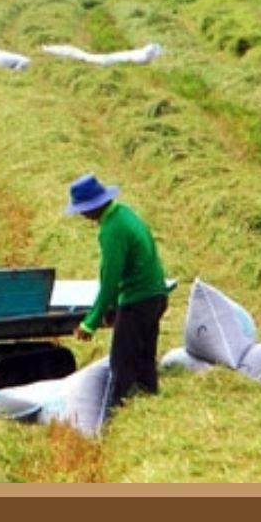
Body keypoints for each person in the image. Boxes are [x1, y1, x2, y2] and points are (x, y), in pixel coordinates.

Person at [67, 174, 169, 407]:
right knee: (145, 360)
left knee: (121, 364)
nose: (82, 215)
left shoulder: (112, 230)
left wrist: (90, 322)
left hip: (138, 301)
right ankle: (149, 404)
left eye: (83, 210)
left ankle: (116, 412)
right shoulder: (125, 213)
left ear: (94, 205)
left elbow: (110, 280)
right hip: (155, 296)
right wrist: (113, 308)